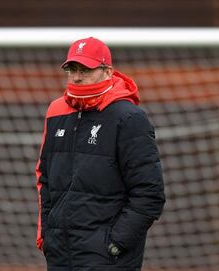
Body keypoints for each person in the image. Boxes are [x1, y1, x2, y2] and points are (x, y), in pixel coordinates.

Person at [35, 37, 166, 270]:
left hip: (108, 259)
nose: (76, 76)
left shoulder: (129, 118)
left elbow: (150, 194)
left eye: (85, 69)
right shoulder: (55, 112)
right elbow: (45, 179)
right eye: (72, 69)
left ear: (107, 71)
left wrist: (114, 244)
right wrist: (48, 235)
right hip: (60, 255)